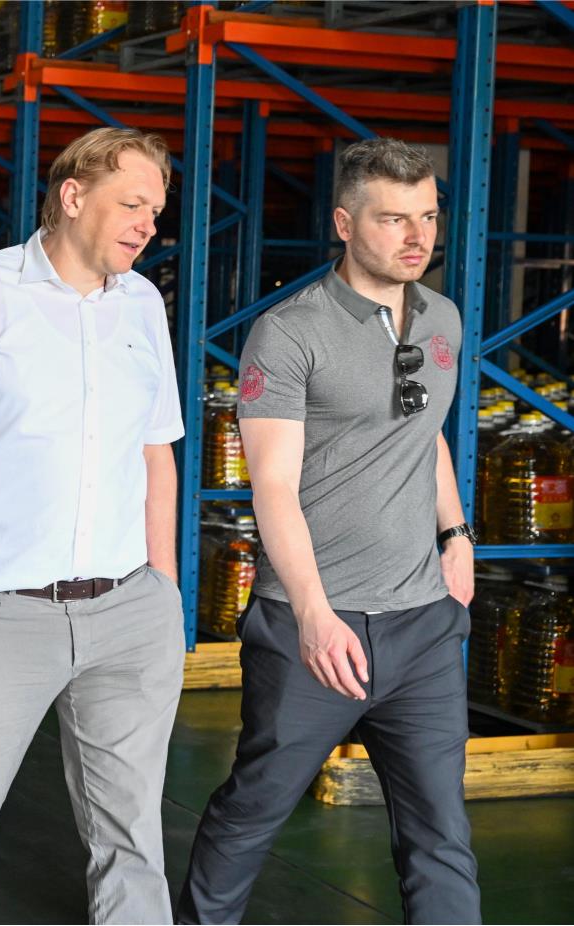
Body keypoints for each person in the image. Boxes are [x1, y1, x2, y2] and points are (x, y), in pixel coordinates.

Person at [178, 138, 480, 925]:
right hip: (311, 627)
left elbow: (424, 432)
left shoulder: (442, 318)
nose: (415, 236)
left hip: (420, 625)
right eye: (391, 219)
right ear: (344, 224)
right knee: (253, 810)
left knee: (440, 833)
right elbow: (271, 485)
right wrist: (313, 614)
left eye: (426, 217)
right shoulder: (289, 332)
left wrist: (456, 533)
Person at [0, 127, 185, 924]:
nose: (146, 225)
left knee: (132, 825)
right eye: (131, 204)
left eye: (155, 213)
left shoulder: (142, 305)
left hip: (129, 610)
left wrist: (163, 585)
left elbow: (156, 449)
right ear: (73, 195)